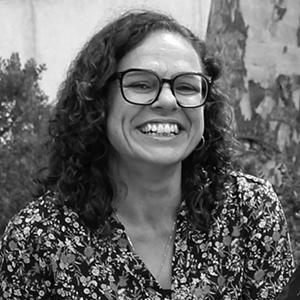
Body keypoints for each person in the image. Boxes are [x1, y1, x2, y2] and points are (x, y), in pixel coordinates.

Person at [0, 9, 295, 300]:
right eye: (141, 84)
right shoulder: (37, 237)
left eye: (187, 86)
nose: (168, 101)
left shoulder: (250, 209)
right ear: (98, 103)